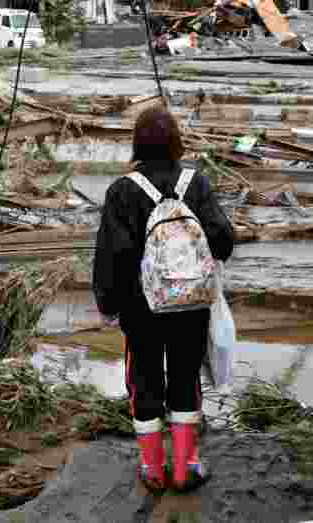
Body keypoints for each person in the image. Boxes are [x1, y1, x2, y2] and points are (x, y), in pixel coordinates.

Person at [93, 105, 235, 493]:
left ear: (137, 143)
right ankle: (186, 466)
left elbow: (113, 256)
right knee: (186, 377)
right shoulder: (197, 183)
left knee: (144, 379)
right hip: (191, 303)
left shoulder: (122, 190)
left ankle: (153, 469)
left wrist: (108, 304)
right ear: (176, 141)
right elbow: (223, 240)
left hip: (142, 309)